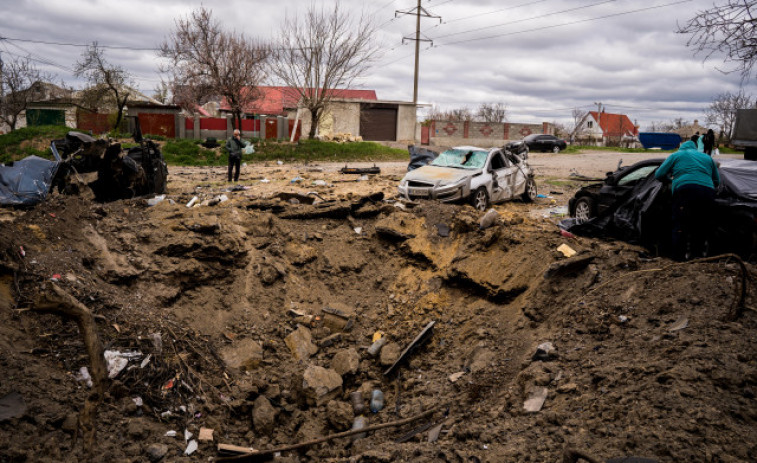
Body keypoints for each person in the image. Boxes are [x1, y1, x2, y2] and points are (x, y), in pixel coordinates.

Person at [654, 140, 720, 261]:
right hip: (707, 193)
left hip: (685, 191)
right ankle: (697, 258)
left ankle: (678, 260)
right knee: (700, 226)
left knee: (681, 226)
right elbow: (717, 181)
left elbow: (659, 175)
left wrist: (672, 180)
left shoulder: (676, 155)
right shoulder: (707, 158)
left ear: (681, 147)